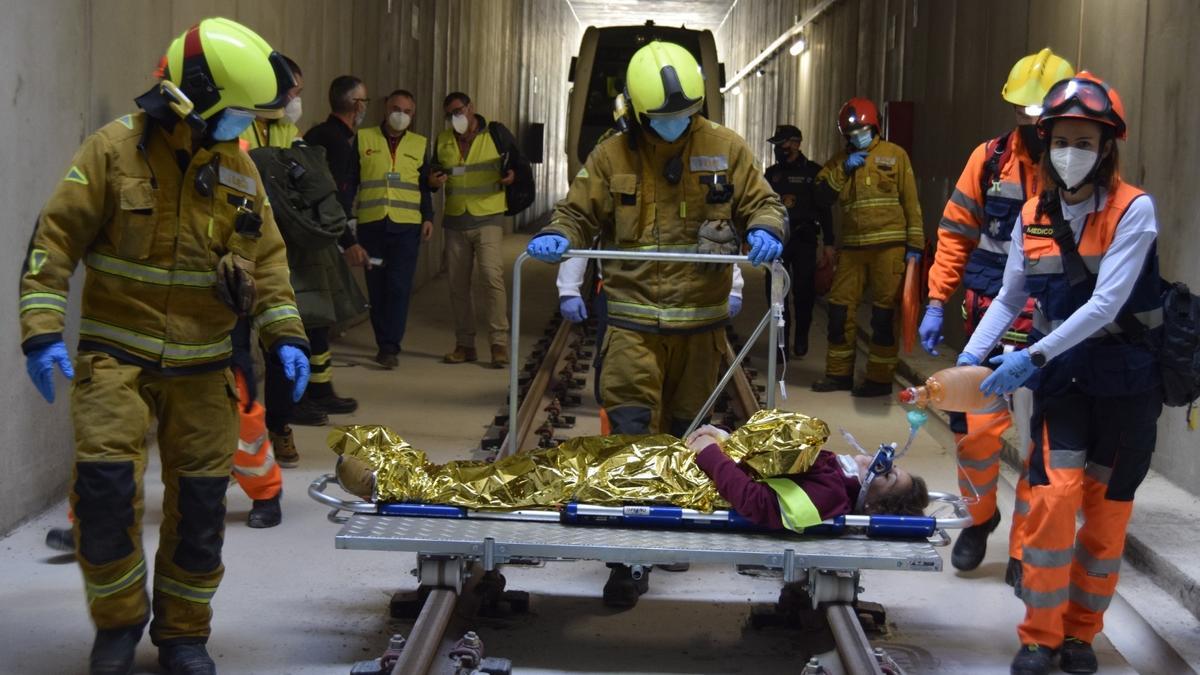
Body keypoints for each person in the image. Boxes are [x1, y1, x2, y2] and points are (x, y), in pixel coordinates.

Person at [18, 18, 310, 674]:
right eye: (239, 115)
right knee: (104, 491)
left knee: (202, 506)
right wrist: (40, 332)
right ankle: (118, 625)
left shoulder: (238, 173)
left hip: (204, 365)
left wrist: (284, 333)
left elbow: (268, 264)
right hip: (113, 356)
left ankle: (183, 634)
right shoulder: (111, 152)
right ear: (195, 99)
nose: (247, 129)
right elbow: (55, 239)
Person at [527, 40, 785, 607]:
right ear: (638, 113)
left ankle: (672, 526)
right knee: (632, 432)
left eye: (683, 115)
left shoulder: (726, 148)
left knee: (691, 435)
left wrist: (767, 228)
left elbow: (764, 204)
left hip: (701, 326)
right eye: (662, 118)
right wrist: (561, 236)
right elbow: (578, 211)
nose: (674, 125)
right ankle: (627, 556)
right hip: (632, 323)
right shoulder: (612, 155)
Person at [959, 74, 1160, 675]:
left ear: (1106, 150)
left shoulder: (1134, 210)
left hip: (1126, 382)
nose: (1073, 151)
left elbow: (1106, 305)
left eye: (1086, 140)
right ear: (1044, 145)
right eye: (1062, 139)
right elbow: (1007, 295)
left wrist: (1029, 356)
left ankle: (1079, 637)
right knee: (1051, 502)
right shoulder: (1032, 216)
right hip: (1066, 379)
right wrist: (973, 355)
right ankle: (1038, 638)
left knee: (1104, 515)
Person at [920, 49, 1075, 577]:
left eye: (1041, 115)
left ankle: (1023, 546)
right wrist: (937, 300)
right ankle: (980, 518)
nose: (1032, 124)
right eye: (1023, 113)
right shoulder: (988, 161)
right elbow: (956, 232)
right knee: (977, 434)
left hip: (1053, 326)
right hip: (993, 315)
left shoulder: (1080, 168)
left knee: (1041, 443)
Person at [811, 97, 924, 397]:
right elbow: (821, 197)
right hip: (853, 250)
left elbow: (911, 203)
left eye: (860, 129)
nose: (855, 135)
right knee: (839, 311)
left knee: (884, 315)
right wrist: (843, 171)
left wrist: (915, 246)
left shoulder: (895, 156)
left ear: (873, 126)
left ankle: (879, 378)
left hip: (890, 249)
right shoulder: (839, 162)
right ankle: (838, 375)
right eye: (850, 132)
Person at [685, 425, 929, 529]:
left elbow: (755, 501)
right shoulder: (833, 467)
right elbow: (769, 467)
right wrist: (726, 440)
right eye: (891, 466)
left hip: (691, 485)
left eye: (887, 477)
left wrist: (710, 453)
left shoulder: (831, 493)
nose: (878, 462)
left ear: (873, 506)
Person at [432, 92, 522, 368]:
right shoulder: (444, 140)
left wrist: (513, 175)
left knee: (491, 277)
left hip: (488, 217)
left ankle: (498, 345)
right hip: (456, 219)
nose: (454, 118)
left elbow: (518, 164)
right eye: (449, 114)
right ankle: (465, 344)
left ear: (472, 108)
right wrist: (433, 179)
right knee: (457, 285)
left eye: (458, 111)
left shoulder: (494, 135)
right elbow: (435, 171)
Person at [353, 90, 436, 368]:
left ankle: (390, 347)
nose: (400, 115)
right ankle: (382, 340)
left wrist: (428, 217)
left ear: (413, 115)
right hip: (372, 226)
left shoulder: (420, 144)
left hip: (406, 228)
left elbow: (425, 186)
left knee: (399, 286)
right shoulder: (364, 138)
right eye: (395, 108)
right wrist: (347, 220)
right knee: (377, 287)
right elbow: (352, 181)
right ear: (385, 109)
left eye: (407, 111)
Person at [764, 124, 834, 358]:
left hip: (804, 238)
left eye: (782, 144)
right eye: (776, 145)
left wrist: (830, 244)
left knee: (804, 293)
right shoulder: (771, 174)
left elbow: (825, 210)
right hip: (778, 241)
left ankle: (801, 336)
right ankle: (780, 341)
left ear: (796, 144)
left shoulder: (814, 173)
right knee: (775, 295)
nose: (779, 149)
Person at [305, 75, 373, 280]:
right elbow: (333, 197)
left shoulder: (315, 134)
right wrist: (349, 241)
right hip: (324, 236)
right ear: (358, 105)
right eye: (365, 101)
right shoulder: (339, 144)